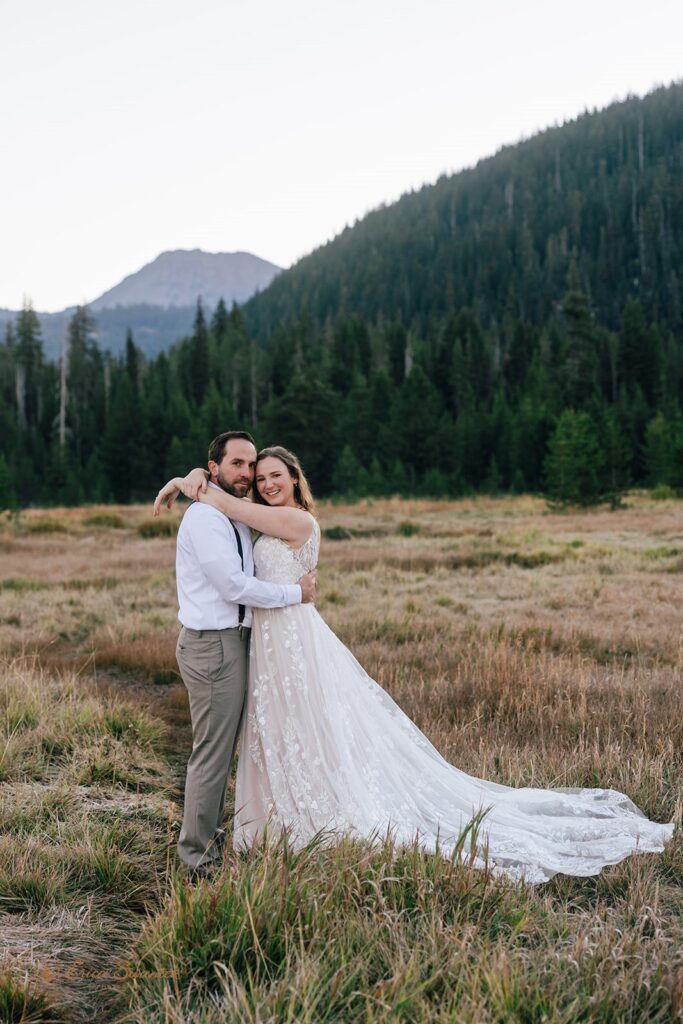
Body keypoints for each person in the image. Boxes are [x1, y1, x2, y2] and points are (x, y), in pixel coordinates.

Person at [155, 446, 675, 885]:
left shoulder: (296, 519)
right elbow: (232, 515)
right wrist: (193, 478)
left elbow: (236, 510)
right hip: (267, 641)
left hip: (290, 638)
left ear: (295, 479)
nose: (264, 483)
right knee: (278, 732)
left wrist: (198, 482)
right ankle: (273, 822)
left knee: (306, 728)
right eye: (256, 474)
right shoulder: (235, 512)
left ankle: (306, 819)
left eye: (274, 475)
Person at [166, 431, 317, 878]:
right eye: (238, 464)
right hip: (214, 645)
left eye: (254, 466)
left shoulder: (238, 512)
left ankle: (261, 832)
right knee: (213, 753)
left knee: (252, 745)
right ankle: (197, 860)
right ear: (214, 468)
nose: (249, 475)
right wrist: (295, 592)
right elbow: (232, 586)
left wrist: (188, 479)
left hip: (245, 642)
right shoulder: (206, 519)